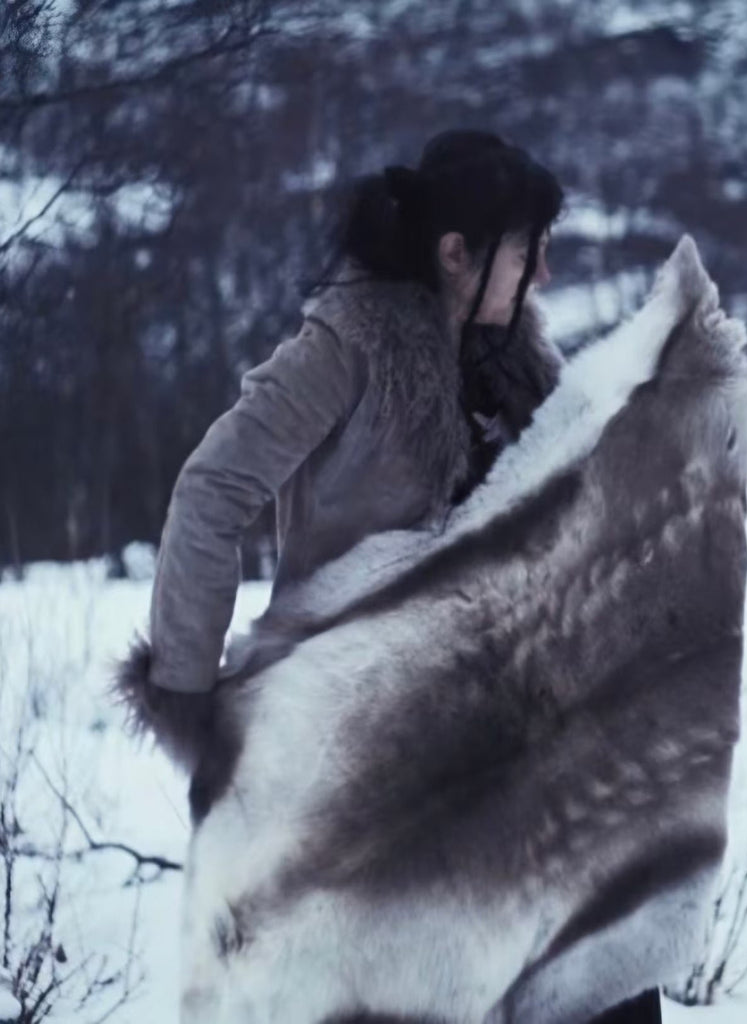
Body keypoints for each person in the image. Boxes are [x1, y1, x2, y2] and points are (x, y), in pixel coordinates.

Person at [145, 128, 662, 1023]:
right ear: (456, 253)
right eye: (526, 251)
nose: (543, 273)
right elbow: (211, 492)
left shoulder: (515, 364)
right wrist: (193, 702)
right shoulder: (344, 349)